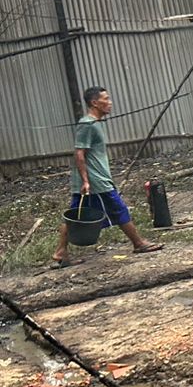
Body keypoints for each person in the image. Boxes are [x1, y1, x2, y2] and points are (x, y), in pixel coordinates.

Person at [49, 86, 164, 268]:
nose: (110, 103)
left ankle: (61, 252)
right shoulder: (87, 125)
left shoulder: (93, 124)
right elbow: (79, 154)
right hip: (95, 183)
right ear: (95, 103)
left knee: (74, 216)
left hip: (92, 181)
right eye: (106, 99)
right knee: (119, 209)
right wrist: (87, 181)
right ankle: (139, 243)